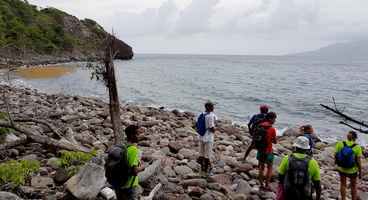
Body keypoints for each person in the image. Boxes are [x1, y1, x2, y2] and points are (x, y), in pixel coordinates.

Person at [114, 125, 145, 200]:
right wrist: (143, 167)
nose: (139, 136)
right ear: (132, 135)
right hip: (129, 186)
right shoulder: (133, 149)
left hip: (118, 185)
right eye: (137, 134)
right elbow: (134, 171)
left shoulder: (122, 146)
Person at [335, 131, 362, 200]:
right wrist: (360, 171)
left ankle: (343, 199)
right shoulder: (357, 147)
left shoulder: (340, 143)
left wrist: (336, 164)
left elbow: (336, 155)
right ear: (355, 138)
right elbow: (358, 161)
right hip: (352, 170)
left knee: (343, 184)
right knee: (353, 186)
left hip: (342, 168)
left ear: (347, 137)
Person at [256, 111, 277, 190]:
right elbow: (275, 141)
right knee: (269, 167)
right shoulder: (272, 129)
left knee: (261, 167)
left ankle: (261, 184)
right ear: (270, 119)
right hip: (268, 151)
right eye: (274, 119)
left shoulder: (259, 125)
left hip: (260, 150)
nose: (275, 121)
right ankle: (267, 184)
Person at [197, 101, 217, 176]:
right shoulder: (210, 116)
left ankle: (202, 168)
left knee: (202, 153)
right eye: (212, 106)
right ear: (209, 107)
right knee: (207, 155)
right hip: (208, 138)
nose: (213, 108)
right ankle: (206, 171)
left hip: (201, 136)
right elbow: (211, 127)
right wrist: (215, 130)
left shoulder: (201, 114)